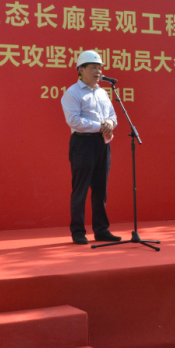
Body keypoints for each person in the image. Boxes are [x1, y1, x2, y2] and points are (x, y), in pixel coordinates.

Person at [61, 50, 122, 245]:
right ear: (81, 69)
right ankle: (78, 231)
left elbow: (112, 115)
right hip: (83, 143)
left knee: (100, 190)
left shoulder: (103, 92)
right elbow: (74, 121)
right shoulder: (72, 93)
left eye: (100, 68)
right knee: (80, 190)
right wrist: (100, 126)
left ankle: (101, 230)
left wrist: (110, 123)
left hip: (102, 143)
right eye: (93, 67)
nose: (98, 71)